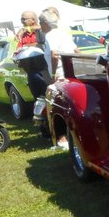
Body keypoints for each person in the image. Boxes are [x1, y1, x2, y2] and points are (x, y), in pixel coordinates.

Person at [38, 8, 76, 149]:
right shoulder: (64, 33)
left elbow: (54, 55)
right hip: (70, 71)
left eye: (40, 22)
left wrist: (53, 73)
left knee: (57, 104)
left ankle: (62, 138)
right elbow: (77, 51)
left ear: (46, 23)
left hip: (60, 72)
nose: (40, 25)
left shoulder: (50, 35)